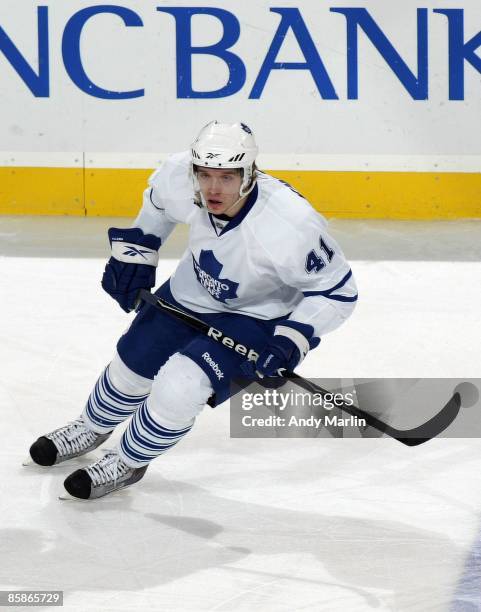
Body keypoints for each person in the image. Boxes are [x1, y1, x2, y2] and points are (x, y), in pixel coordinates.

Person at [28, 121, 358, 500]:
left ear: (249, 174)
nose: (213, 188)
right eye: (205, 174)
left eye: (227, 177)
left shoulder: (291, 226)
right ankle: (92, 425)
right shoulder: (180, 176)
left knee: (181, 386)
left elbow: (337, 293)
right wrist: (137, 254)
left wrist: (291, 342)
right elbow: (157, 205)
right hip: (192, 291)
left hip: (258, 315)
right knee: (130, 364)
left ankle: (126, 460)